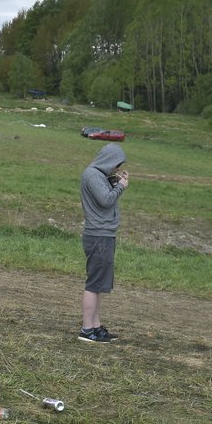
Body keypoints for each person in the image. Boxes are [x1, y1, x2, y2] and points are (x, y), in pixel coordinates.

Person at [79, 143, 129, 343]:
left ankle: (96, 327)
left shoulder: (99, 176)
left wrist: (114, 180)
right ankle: (86, 329)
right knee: (93, 284)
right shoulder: (92, 175)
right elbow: (106, 200)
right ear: (108, 160)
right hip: (98, 236)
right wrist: (120, 187)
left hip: (105, 235)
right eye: (116, 165)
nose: (117, 169)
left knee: (99, 284)